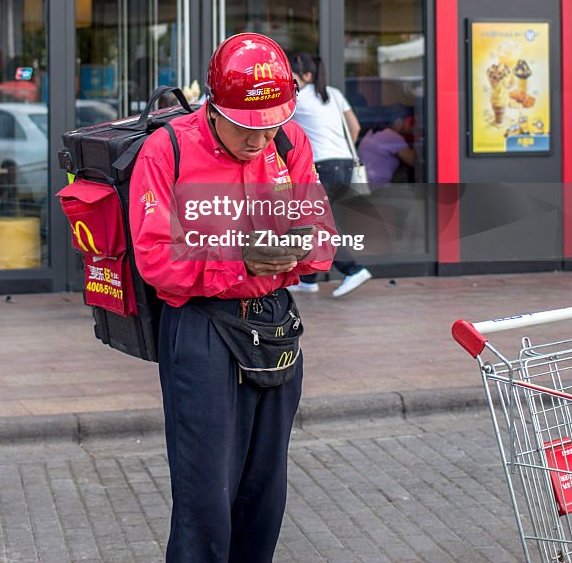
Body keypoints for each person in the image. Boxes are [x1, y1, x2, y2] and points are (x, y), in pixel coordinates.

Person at [129, 33, 335, 563]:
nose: (259, 138)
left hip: (273, 325)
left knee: (265, 493)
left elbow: (323, 237)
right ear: (213, 107)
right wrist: (239, 260)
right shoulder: (167, 148)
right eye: (246, 126)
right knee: (205, 499)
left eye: (269, 124)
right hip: (201, 329)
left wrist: (297, 251)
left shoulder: (289, 142)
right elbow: (156, 260)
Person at [289, 51, 372, 298]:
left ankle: (353, 270)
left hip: (323, 166)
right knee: (318, 220)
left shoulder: (299, 99)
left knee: (319, 224)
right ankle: (308, 279)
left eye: (291, 76)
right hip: (343, 162)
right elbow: (354, 127)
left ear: (306, 75)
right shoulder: (334, 94)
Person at [357, 105, 415, 187]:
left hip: (366, 185)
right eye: (409, 121)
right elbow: (413, 161)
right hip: (378, 188)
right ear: (399, 121)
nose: (411, 126)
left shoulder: (372, 132)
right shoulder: (392, 136)